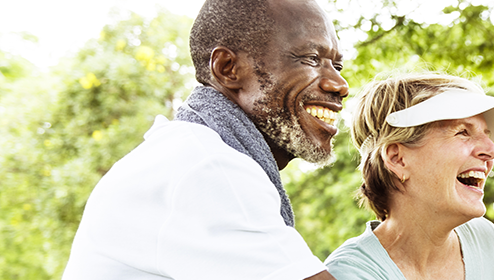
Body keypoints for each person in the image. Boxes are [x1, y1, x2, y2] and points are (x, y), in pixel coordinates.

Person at [63, 0, 349, 278]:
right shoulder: (208, 166)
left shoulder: (189, 150)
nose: (339, 84)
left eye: (337, 66)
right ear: (228, 69)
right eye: (311, 59)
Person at [323, 73, 494, 279]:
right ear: (397, 159)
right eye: (462, 132)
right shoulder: (348, 274)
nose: (492, 150)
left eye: (486, 135)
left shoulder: (485, 239)